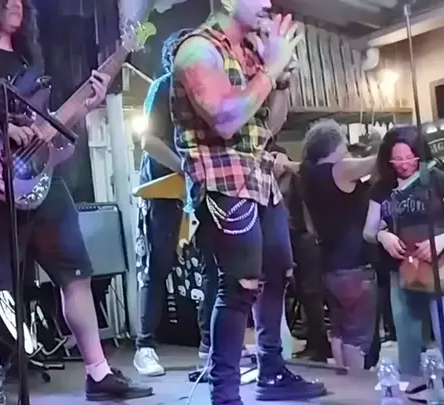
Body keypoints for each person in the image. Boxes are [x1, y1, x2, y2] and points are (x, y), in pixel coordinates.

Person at [0, 0, 153, 403]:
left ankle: (98, 373)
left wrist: (87, 104)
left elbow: (46, 129)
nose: (16, 4)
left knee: (76, 275)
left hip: (42, 180)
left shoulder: (30, 61)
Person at [169, 0, 326, 402]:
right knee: (240, 285)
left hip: (259, 177)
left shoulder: (250, 51)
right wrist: (271, 70)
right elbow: (225, 119)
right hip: (222, 179)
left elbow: (268, 126)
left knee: (277, 271)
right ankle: (225, 394)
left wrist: (281, 79)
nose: (268, 3)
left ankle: (271, 372)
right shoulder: (197, 50)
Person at [133, 28, 218, 377]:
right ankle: (145, 346)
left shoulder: (208, 91)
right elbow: (149, 141)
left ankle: (210, 345)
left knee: (213, 265)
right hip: (165, 189)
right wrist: (184, 166)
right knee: (159, 265)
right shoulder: (163, 86)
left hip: (201, 189)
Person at [363, 126, 444, 399]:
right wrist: (383, 235)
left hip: (443, 268)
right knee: (407, 339)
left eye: (409, 157)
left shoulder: (437, 180)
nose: (404, 164)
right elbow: (369, 230)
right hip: (402, 272)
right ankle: (413, 393)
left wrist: (441, 241)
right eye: (397, 159)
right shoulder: (382, 188)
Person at [299, 119, 377, 373]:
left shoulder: (308, 176)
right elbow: (378, 161)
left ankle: (344, 386)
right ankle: (356, 387)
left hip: (328, 267)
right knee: (358, 337)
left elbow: (310, 227)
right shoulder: (340, 169)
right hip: (354, 265)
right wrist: (379, 143)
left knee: (340, 331)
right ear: (335, 145)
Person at [269, 142, 330, 363]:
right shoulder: (272, 180)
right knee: (302, 294)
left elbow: (300, 211)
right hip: (289, 238)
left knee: (310, 293)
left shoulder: (294, 178)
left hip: (302, 238)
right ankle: (313, 343)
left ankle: (319, 345)